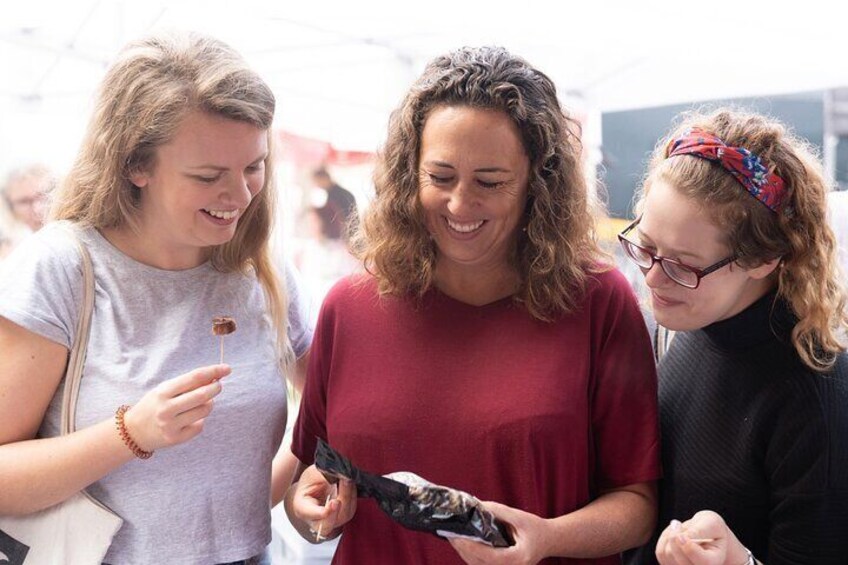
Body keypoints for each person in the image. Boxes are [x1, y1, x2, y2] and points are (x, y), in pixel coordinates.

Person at [282, 46, 661, 564]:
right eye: (440, 177)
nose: (461, 204)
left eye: (490, 182)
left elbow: (637, 503)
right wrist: (310, 511)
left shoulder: (598, 302)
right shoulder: (349, 306)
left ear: (537, 182)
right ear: (408, 174)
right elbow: (311, 474)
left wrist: (547, 538)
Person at [0, 31, 313, 564]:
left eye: (253, 167)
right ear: (134, 165)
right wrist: (130, 432)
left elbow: (329, 411)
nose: (239, 196)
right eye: (208, 175)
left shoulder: (261, 269)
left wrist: (278, 493)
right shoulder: (61, 267)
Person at [619, 109, 848, 565]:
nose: (653, 279)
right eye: (645, 247)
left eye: (683, 266)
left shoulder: (816, 394)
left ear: (764, 259)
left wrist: (737, 561)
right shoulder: (675, 326)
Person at [310, 166, 358, 241]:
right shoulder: (333, 193)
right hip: (347, 235)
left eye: (317, 181)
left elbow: (343, 217)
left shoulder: (337, 195)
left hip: (345, 237)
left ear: (324, 178)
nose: (317, 185)